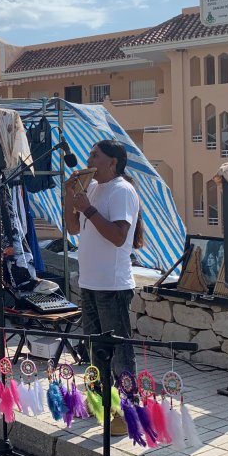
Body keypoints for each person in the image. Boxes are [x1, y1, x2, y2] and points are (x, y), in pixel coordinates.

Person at [64, 139, 144, 436]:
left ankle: (129, 410)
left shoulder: (122, 191)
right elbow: (73, 229)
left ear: (113, 162)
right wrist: (69, 196)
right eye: (89, 154)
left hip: (112, 285)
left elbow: (119, 237)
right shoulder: (94, 188)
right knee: (96, 349)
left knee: (120, 352)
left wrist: (88, 209)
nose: (89, 159)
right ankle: (102, 404)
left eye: (95, 155)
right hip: (90, 282)